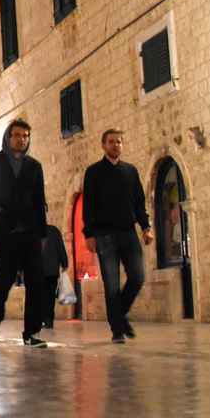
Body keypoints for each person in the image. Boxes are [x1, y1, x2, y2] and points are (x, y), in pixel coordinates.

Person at [0, 118, 50, 347]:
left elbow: (39, 201)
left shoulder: (35, 166)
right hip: (5, 231)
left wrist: (43, 234)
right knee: (3, 280)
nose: (21, 140)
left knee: (36, 282)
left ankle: (31, 333)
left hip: (31, 233)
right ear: (8, 137)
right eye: (17, 135)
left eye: (25, 136)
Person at [81, 128, 152, 343]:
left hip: (128, 233)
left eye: (119, 141)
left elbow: (139, 202)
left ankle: (119, 317)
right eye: (111, 142)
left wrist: (146, 227)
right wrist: (89, 234)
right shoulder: (93, 172)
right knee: (111, 284)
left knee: (138, 277)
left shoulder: (131, 171)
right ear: (103, 145)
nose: (116, 145)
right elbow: (89, 206)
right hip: (104, 236)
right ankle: (117, 330)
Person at [40, 223, 69, 330]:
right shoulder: (54, 230)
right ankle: (48, 320)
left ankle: (43, 319)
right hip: (51, 270)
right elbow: (60, 247)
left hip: (40, 270)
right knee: (50, 296)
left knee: (41, 296)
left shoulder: (32, 231)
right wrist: (64, 262)